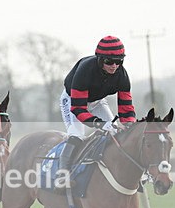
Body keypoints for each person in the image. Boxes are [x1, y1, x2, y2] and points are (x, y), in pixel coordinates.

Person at [58, 36, 136, 180]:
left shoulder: (122, 75)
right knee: (77, 135)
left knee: (114, 132)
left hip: (98, 101)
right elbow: (79, 109)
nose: (114, 66)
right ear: (100, 60)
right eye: (109, 61)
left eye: (119, 61)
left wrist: (130, 124)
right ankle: (62, 175)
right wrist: (99, 124)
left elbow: (126, 109)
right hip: (72, 101)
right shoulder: (85, 70)